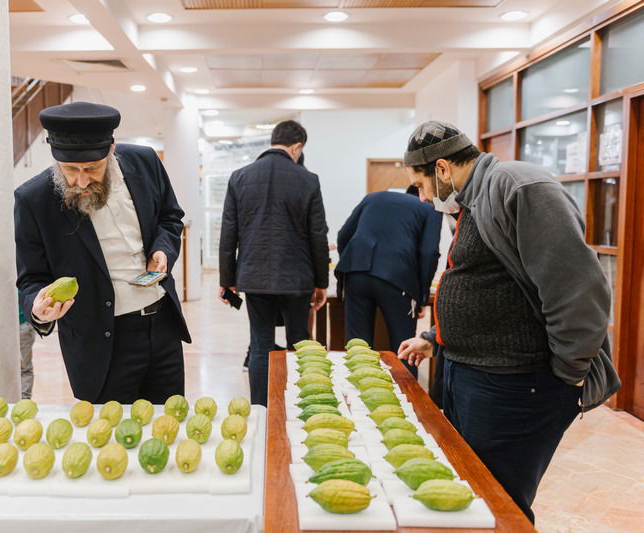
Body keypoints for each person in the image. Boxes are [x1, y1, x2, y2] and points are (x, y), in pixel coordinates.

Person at [397, 121, 621, 523]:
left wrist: (569, 373)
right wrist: (437, 338)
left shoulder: (518, 187)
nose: (423, 196)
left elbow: (578, 287)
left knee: (500, 504)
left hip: (516, 385)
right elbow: (486, 282)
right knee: (472, 491)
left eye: (421, 184)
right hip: (474, 375)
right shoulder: (472, 201)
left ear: (443, 169)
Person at [15, 101, 191, 404]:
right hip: (100, 344)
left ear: (110, 150)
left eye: (92, 168)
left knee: (168, 424)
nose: (81, 181)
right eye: (70, 170)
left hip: (161, 328)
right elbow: (31, 278)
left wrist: (162, 249)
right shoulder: (34, 199)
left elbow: (170, 217)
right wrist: (38, 308)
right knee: (108, 439)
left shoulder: (145, 162)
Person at [218, 120, 329, 406]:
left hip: (253, 277)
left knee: (260, 345)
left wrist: (226, 279)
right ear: (297, 147)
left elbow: (229, 233)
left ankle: (261, 409)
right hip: (298, 279)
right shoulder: (308, 180)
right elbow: (318, 235)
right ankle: (298, 404)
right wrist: (321, 283)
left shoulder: (239, 177)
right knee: (300, 343)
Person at [335, 187, 441, 378]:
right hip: (398, 278)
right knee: (405, 349)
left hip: (356, 272)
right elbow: (429, 253)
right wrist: (422, 296)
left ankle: (357, 399)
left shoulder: (373, 197)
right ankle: (407, 401)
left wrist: (352, 262)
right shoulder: (429, 209)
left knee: (358, 346)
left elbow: (343, 235)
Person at [19, 297, 36, 399]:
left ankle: (25, 399)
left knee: (25, 367)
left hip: (23, 326)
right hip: (22, 327)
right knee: (25, 367)